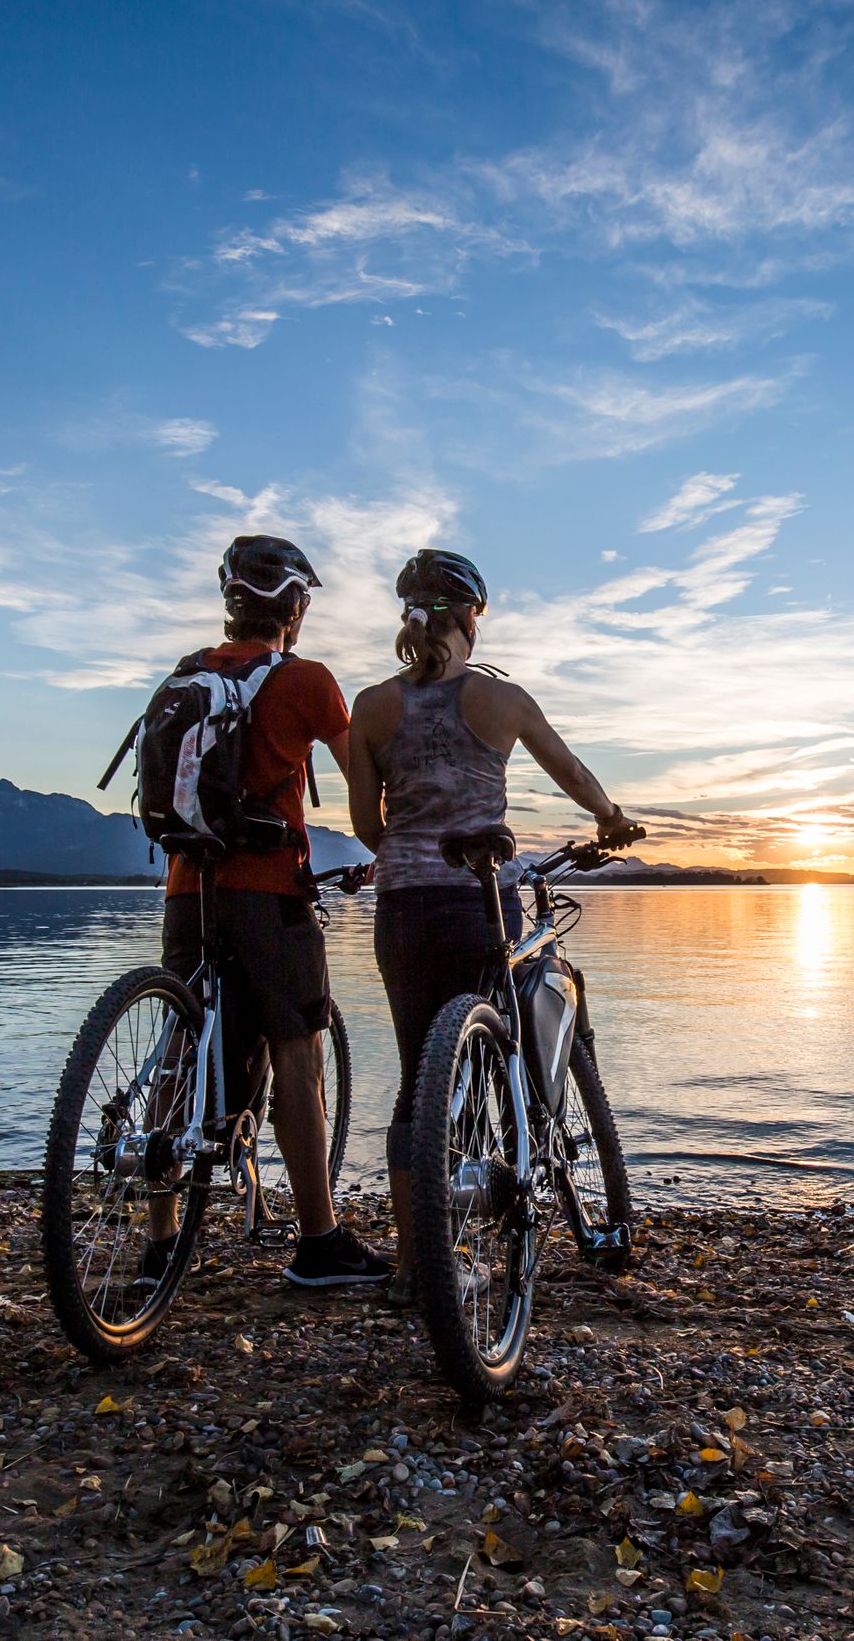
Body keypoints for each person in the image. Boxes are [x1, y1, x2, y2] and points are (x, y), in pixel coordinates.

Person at [343, 548, 637, 1295]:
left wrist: (409, 853)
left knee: (418, 1080)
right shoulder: (499, 700)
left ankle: (414, 1268)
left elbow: (363, 823)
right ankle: (514, 1221)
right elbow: (569, 771)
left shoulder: (372, 705)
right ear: (471, 617)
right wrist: (611, 819)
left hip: (405, 906)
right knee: (503, 1059)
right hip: (481, 901)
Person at [148, 534, 391, 1289]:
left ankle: (160, 1241)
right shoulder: (306, 681)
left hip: (188, 886)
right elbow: (363, 784)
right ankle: (318, 1240)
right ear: (292, 605)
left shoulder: (188, 674)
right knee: (298, 1051)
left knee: (178, 1052)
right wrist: (387, 845)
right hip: (267, 892)